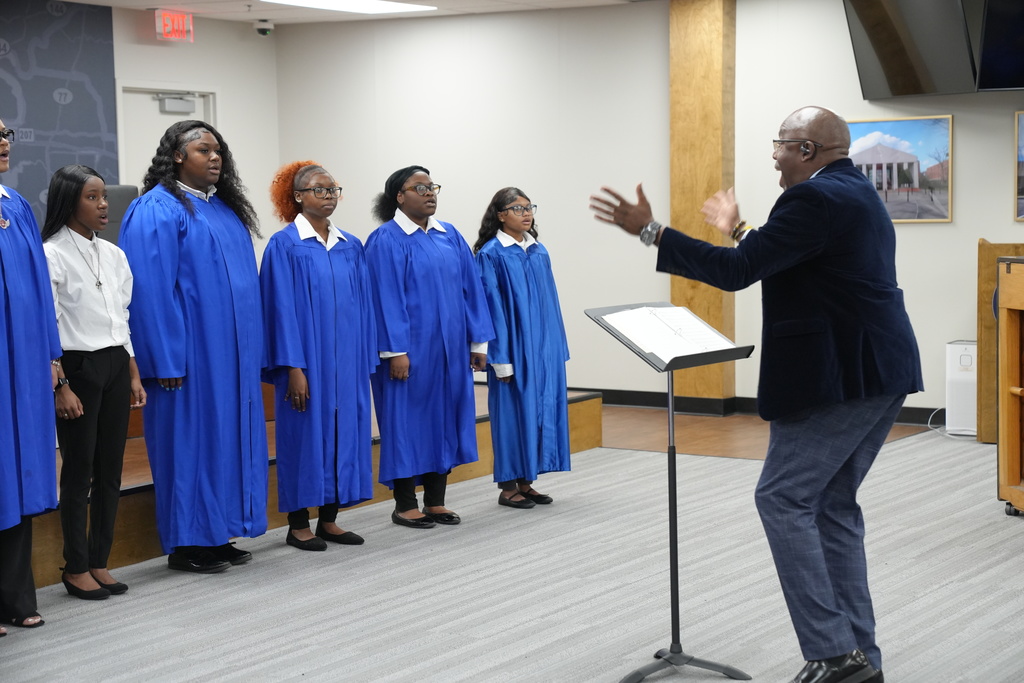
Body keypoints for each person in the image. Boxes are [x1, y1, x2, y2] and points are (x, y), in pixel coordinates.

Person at [590, 105, 922, 683]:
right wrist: (740, 228)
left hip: (836, 379)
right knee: (831, 506)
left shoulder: (811, 199)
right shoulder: (855, 192)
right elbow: (785, 256)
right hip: (879, 372)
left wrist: (651, 231)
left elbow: (740, 270)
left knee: (783, 498)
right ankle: (858, 657)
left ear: (808, 151)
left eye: (780, 145)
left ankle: (832, 652)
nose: (773, 155)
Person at [119, 120, 268, 573]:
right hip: (189, 359)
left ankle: (219, 532)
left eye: (219, 150)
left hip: (233, 358)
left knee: (229, 441)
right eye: (205, 150)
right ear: (178, 156)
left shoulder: (225, 212)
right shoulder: (156, 210)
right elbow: (148, 291)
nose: (216, 157)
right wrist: (164, 357)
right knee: (190, 445)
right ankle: (188, 544)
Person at [365, 165, 494, 529]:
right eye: (418, 187)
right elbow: (384, 298)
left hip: (450, 351)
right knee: (405, 422)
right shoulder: (385, 240)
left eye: (431, 186)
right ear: (399, 196)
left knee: (445, 420)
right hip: (408, 353)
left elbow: (472, 289)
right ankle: (405, 503)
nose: (429, 192)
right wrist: (395, 350)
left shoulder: (449, 235)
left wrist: (478, 341)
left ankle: (436, 501)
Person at [42, 165, 147, 600]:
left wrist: (134, 371)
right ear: (69, 201)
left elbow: (121, 319)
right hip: (77, 368)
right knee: (79, 471)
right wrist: (60, 384)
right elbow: (49, 323)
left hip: (116, 365)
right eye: (92, 197)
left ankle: (100, 560)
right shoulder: (51, 254)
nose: (103, 204)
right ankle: (75, 566)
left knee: (109, 470)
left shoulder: (114, 254)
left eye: (104, 196)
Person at [261, 161, 377, 551]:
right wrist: (292, 366)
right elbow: (278, 309)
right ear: (297, 197)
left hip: (347, 363)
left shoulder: (351, 245)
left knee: (345, 434)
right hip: (306, 362)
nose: (328, 196)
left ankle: (330, 519)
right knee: (303, 438)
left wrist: (364, 359)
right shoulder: (284, 245)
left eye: (333, 189)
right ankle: (298, 524)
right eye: (318, 189)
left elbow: (364, 307)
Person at [0, 119, 62, 633]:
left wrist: (49, 353)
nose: (3, 142)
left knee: (16, 476)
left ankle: (17, 596)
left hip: (20, 366)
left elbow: (40, 289)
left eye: (5, 133)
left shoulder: (14, 205)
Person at [473, 187, 570, 509]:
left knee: (540, 411)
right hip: (512, 350)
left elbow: (552, 303)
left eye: (529, 208)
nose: (527, 214)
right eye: (518, 209)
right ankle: (508, 485)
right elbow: (490, 307)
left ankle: (527, 481)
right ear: (500, 215)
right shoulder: (491, 254)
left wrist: (558, 347)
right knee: (513, 416)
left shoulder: (538, 251)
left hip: (544, 349)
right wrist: (498, 357)